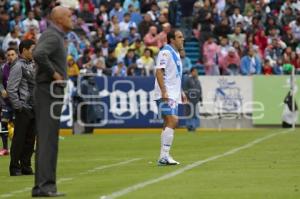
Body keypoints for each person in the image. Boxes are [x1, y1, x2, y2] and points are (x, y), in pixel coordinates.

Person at [31, 6, 73, 197]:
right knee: (48, 141)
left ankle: (42, 187)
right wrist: (55, 74)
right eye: (69, 16)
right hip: (47, 90)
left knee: (47, 141)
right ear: (59, 19)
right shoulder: (52, 35)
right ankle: (45, 186)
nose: (72, 19)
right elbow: (39, 54)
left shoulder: (55, 36)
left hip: (49, 92)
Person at [154, 29, 187, 166]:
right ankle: (164, 156)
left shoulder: (176, 54)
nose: (182, 39)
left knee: (168, 122)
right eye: (179, 37)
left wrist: (181, 92)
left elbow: (175, 76)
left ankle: (164, 156)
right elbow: (159, 71)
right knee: (173, 120)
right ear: (172, 39)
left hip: (173, 93)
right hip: (166, 93)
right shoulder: (165, 52)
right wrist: (163, 91)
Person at [7, 39, 36, 176]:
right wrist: (18, 106)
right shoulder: (18, 66)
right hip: (23, 107)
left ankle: (26, 165)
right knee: (19, 138)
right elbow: (11, 88)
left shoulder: (32, 65)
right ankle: (14, 166)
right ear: (24, 50)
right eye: (32, 49)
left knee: (30, 139)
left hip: (34, 107)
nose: (34, 52)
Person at [0, 48, 18, 156]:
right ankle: (5, 148)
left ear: (16, 55)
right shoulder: (3, 68)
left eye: (12, 54)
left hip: (17, 102)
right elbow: (0, 82)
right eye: (8, 55)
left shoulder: (20, 67)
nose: (10, 56)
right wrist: (2, 90)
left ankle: (18, 147)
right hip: (6, 103)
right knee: (3, 124)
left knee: (19, 126)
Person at [184, 67, 202, 132]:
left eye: (197, 72)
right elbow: (185, 90)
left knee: (195, 113)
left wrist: (200, 99)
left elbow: (200, 90)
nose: (196, 73)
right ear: (192, 72)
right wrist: (186, 99)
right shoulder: (188, 80)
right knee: (189, 113)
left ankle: (194, 126)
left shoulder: (198, 81)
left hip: (196, 101)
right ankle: (189, 126)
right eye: (195, 71)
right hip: (190, 100)